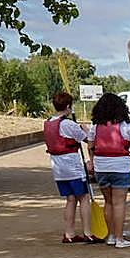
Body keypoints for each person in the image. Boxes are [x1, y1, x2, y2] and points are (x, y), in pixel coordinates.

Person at [87, 92, 130, 249]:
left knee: (108, 202)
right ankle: (120, 239)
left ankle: (111, 236)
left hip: (101, 167)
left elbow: (91, 146)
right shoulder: (126, 126)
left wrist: (92, 163)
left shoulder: (95, 126)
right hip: (120, 167)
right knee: (119, 203)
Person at [44, 91, 95, 244]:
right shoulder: (68, 124)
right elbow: (88, 140)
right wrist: (86, 130)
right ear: (68, 107)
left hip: (58, 169)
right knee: (84, 198)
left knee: (70, 199)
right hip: (73, 167)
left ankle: (69, 234)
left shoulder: (48, 122)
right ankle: (87, 233)